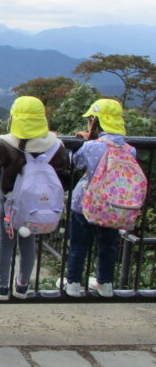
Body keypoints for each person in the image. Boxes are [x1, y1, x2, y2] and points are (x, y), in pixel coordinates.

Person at [0, 96, 69, 300]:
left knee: (5, 241)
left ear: (14, 118)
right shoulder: (54, 145)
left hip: (8, 201)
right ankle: (23, 284)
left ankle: (1, 285)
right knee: (28, 241)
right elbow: (64, 162)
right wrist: (53, 138)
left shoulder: (5, 144)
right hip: (36, 205)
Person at [63, 99, 133, 298]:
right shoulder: (129, 149)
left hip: (86, 203)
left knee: (78, 245)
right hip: (114, 206)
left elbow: (75, 162)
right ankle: (105, 283)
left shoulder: (93, 147)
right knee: (108, 245)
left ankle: (74, 284)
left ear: (95, 121)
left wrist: (80, 143)